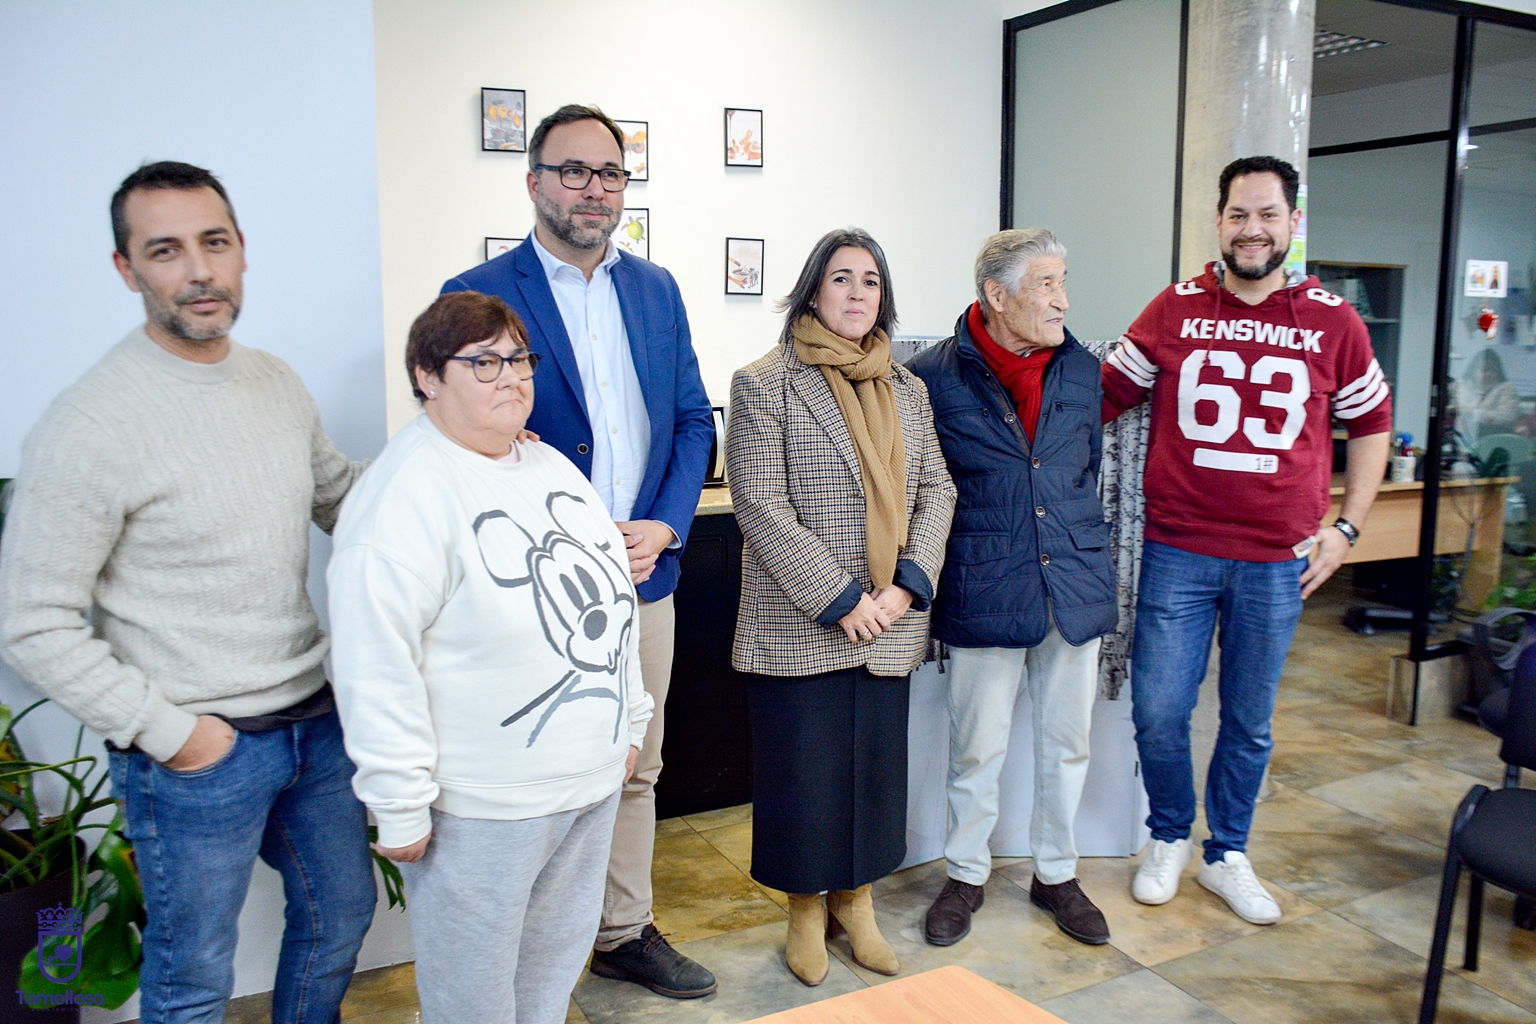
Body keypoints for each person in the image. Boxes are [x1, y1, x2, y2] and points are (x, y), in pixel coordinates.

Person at [0, 161, 375, 1023]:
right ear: (127, 270)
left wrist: (456, 458)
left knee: (340, 917)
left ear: (242, 251)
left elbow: (341, 498)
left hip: (313, 729)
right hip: (194, 756)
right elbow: (33, 624)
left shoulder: (274, 382)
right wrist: (175, 735)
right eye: (165, 250)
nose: (198, 270)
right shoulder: (89, 422)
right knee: (193, 975)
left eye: (214, 242)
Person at [440, 103, 715, 999]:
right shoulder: (479, 292)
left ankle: (623, 930)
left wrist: (667, 524)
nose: (593, 189)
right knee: (539, 773)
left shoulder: (657, 289)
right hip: (536, 594)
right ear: (533, 182)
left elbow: (686, 422)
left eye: (610, 173)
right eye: (573, 171)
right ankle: (522, 948)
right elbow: (462, 442)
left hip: (644, 575)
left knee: (637, 761)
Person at [327, 291, 655, 1024]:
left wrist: (630, 722)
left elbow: (608, 602)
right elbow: (375, 665)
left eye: (518, 359)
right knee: (471, 1003)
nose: (511, 377)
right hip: (486, 807)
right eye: (483, 362)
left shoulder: (546, 467)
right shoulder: (403, 497)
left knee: (546, 980)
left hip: (588, 784)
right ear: (426, 377)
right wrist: (398, 801)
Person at [1102, 156, 1392, 924]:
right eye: (1238, 214)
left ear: (1293, 224)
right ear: (1220, 221)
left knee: (1248, 718)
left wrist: (1347, 529)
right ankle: (1168, 834)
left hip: (1278, 561)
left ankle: (1225, 851)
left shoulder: (1335, 319)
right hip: (1179, 548)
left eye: (1268, 214)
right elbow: (1103, 395)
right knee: (1160, 711)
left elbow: (1373, 425)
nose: (1252, 228)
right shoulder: (1175, 306)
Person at [726, 228, 956, 987]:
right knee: (804, 777)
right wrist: (840, 599)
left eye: (870, 282)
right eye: (841, 279)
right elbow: (760, 504)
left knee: (871, 776)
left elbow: (937, 491)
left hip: (889, 621)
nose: (857, 294)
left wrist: (902, 588)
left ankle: (856, 903)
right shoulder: (764, 382)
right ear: (812, 291)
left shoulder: (910, 388)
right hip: (802, 624)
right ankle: (803, 910)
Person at [908, 229, 1117, 948]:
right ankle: (965, 874)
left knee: (1067, 745)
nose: (1063, 299)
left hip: (1073, 584)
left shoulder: (1083, 371)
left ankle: (1057, 874)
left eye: (1063, 281)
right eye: (1046, 285)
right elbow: (926, 489)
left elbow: (1081, 473)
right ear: (996, 296)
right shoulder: (932, 376)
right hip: (982, 587)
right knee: (976, 748)